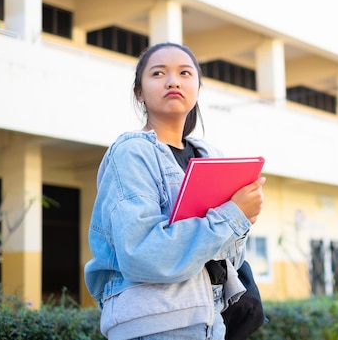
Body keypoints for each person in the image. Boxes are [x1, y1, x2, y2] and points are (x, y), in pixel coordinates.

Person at [84, 42, 266, 340]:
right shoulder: (132, 153)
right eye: (158, 73)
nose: (173, 81)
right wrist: (231, 217)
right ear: (138, 92)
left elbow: (226, 261)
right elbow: (141, 252)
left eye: (185, 72)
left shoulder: (210, 155)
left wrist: (244, 219)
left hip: (210, 323)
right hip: (153, 325)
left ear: (197, 88)